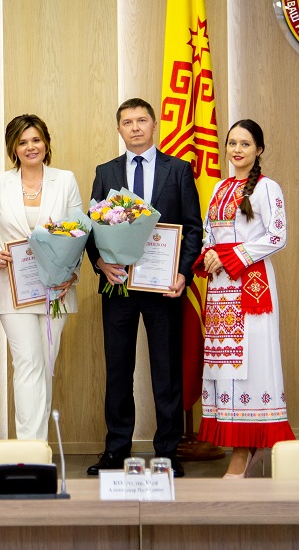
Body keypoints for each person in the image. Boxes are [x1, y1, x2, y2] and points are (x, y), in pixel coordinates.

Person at [85, 98, 202, 478]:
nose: (135, 127)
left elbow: (193, 229)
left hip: (163, 288)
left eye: (141, 120)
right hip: (118, 286)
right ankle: (116, 450)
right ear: (119, 129)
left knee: (166, 371)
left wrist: (183, 273)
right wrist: (100, 263)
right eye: (127, 122)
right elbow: (91, 227)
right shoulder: (105, 172)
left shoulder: (178, 170)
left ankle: (167, 452)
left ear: (154, 125)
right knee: (118, 370)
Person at [193, 119, 295, 477]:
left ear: (259, 149)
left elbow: (277, 236)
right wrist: (209, 253)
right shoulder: (219, 187)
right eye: (232, 143)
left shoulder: (267, 188)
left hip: (251, 286)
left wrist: (231, 255)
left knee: (252, 363)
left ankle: (246, 447)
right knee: (224, 365)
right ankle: (240, 445)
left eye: (245, 144)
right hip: (221, 287)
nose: (237, 150)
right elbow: (208, 232)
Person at [0, 114, 82, 441]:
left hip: (56, 289)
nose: (30, 147)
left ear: (46, 143)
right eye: (22, 142)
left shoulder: (65, 180)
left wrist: (72, 273)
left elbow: (80, 232)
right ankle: (27, 449)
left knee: (45, 367)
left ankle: (40, 447)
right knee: (28, 364)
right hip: (14, 289)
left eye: (36, 140)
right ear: (14, 148)